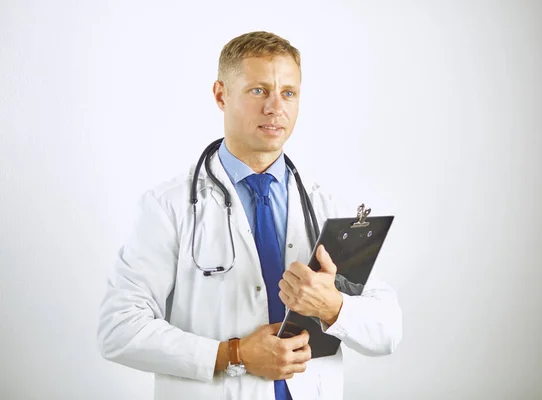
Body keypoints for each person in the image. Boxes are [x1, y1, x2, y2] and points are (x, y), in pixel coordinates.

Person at [97, 30, 402, 400]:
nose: (276, 107)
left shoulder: (329, 208)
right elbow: (119, 329)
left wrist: (333, 308)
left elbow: (388, 331)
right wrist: (233, 354)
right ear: (221, 95)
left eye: (288, 92)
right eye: (259, 90)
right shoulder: (168, 207)